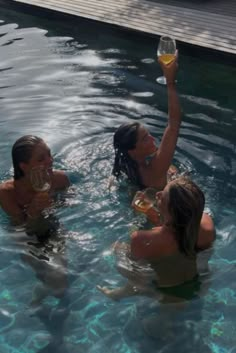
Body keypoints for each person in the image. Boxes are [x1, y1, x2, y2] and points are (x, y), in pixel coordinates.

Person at [97, 176, 215, 300]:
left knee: (118, 248)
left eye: (162, 197)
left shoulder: (142, 239)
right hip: (200, 283)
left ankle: (119, 294)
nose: (157, 194)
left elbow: (137, 277)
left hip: (165, 294)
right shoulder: (207, 226)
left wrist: (135, 217)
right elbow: (180, 232)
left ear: (170, 211)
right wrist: (159, 218)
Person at [112, 55, 181, 190]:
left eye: (147, 134)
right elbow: (174, 125)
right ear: (133, 150)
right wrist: (170, 80)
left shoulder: (126, 164)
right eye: (145, 139)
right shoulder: (154, 170)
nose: (152, 138)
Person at [0, 135, 70, 225]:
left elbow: (71, 206)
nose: (50, 160)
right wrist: (33, 212)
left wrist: (56, 205)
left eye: (49, 154)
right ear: (24, 167)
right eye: (41, 159)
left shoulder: (60, 179)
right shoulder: (7, 193)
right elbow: (19, 228)